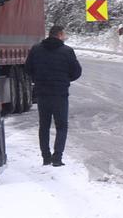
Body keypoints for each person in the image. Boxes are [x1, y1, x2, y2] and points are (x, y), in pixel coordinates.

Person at [24, 24, 83, 165]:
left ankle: (45, 157)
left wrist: (37, 79)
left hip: (42, 93)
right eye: (64, 35)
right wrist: (65, 79)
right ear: (60, 35)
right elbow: (76, 71)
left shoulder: (36, 49)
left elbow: (28, 69)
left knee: (44, 126)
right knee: (61, 126)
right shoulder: (67, 51)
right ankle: (57, 158)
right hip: (60, 94)